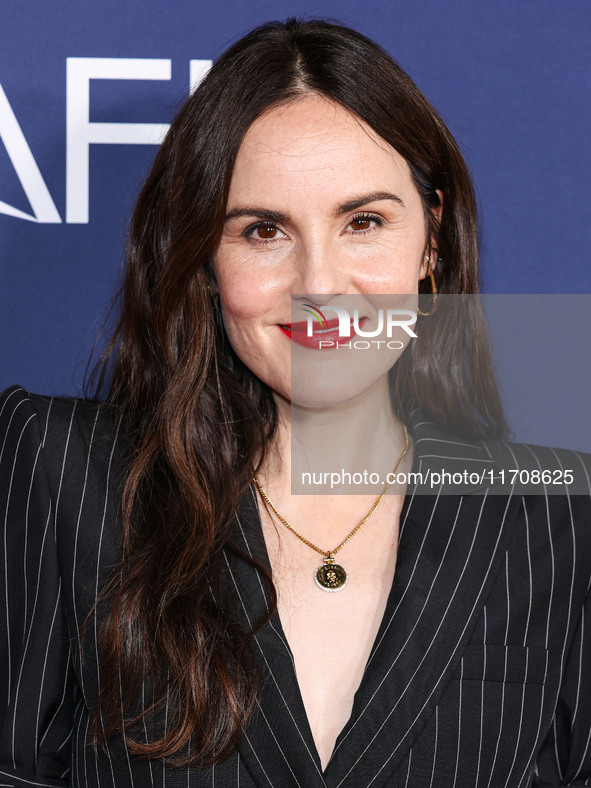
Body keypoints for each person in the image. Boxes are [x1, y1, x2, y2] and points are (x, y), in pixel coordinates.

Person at [1, 17, 590, 788]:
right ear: (205, 260)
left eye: (364, 222)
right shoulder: (61, 471)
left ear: (431, 240)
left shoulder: (558, 516)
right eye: (264, 230)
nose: (321, 283)